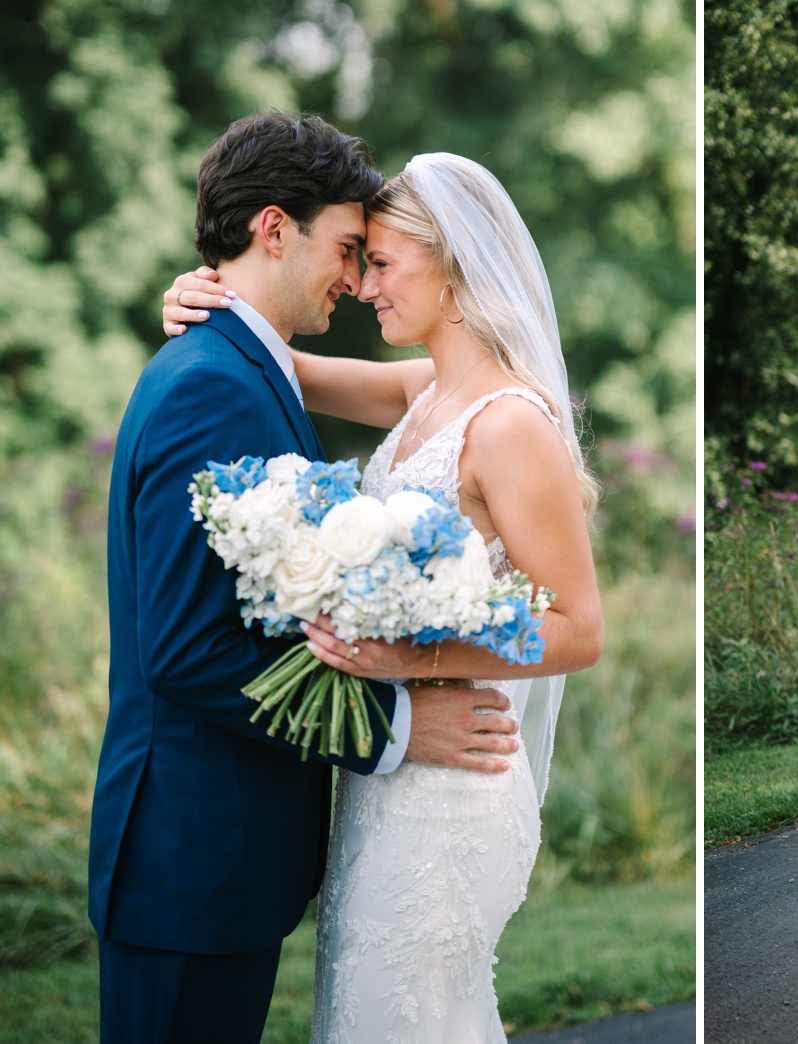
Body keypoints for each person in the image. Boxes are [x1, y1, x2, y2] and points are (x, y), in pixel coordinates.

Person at [94, 113, 521, 1043]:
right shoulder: (213, 379)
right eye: (345, 247)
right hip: (190, 862)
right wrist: (400, 723)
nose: (354, 277)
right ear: (274, 229)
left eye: (374, 257)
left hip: (220, 863)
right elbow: (184, 651)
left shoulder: (245, 365)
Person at [163, 152, 603, 1041]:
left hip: (455, 789)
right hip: (391, 778)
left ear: (456, 271)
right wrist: (194, 292)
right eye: (358, 261)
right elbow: (271, 356)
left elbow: (578, 628)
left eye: (383, 262)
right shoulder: (427, 392)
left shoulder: (510, 424)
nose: (363, 286)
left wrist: (404, 659)